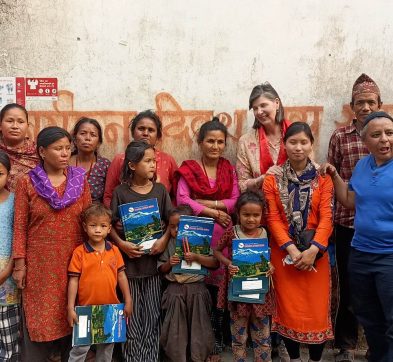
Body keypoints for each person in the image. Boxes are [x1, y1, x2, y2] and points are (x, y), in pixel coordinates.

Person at [12, 126, 91, 362]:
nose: (65, 153)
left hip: (74, 262)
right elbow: (19, 226)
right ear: (43, 152)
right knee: (40, 320)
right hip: (40, 267)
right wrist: (19, 265)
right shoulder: (27, 183)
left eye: (68, 148)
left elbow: (89, 220)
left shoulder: (79, 181)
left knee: (73, 313)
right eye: (58, 149)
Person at [322, 111, 393, 362]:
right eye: (377, 135)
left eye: (390, 133)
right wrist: (335, 176)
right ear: (365, 141)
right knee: (368, 316)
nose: (384, 139)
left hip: (389, 256)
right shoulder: (363, 166)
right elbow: (350, 201)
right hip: (360, 253)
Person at [263, 122, 334, 362]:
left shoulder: (323, 179)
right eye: (293, 142)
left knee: (316, 311)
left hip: (317, 253)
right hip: (284, 253)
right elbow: (272, 218)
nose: (298, 147)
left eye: (304, 142)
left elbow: (327, 217)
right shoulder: (272, 180)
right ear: (285, 145)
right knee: (288, 309)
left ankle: (314, 359)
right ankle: (293, 358)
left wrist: (313, 251)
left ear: (311, 145)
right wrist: (292, 251)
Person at [327, 73, 381, 362]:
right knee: (348, 285)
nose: (365, 107)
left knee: (380, 287)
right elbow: (331, 177)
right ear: (352, 106)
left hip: (382, 226)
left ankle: (376, 345)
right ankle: (345, 344)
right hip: (347, 224)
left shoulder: (387, 135)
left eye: (371, 102)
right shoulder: (340, 137)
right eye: (360, 103)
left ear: (379, 103)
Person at [175, 117, 240, 358]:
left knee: (222, 289)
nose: (215, 146)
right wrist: (214, 211)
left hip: (224, 237)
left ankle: (222, 338)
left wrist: (206, 202)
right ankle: (203, 341)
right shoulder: (189, 168)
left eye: (220, 142)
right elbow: (182, 199)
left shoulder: (228, 169)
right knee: (201, 289)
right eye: (210, 141)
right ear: (200, 143)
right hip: (197, 235)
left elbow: (236, 200)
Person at [109, 140, 172, 362]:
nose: (153, 165)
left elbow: (172, 222)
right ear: (132, 165)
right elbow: (108, 226)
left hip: (153, 268)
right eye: (147, 161)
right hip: (129, 270)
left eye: (154, 160)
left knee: (152, 318)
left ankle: (150, 358)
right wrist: (121, 243)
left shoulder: (160, 191)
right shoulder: (120, 193)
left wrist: (164, 240)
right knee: (132, 317)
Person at [214, 191, 275, 362]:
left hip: (260, 295)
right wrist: (228, 264)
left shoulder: (265, 234)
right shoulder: (232, 233)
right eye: (246, 214)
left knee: (263, 337)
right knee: (239, 338)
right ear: (238, 214)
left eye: (256, 215)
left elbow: (271, 257)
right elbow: (216, 251)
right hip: (238, 295)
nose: (251, 219)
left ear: (262, 215)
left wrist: (271, 266)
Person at [67, 203, 132, 362]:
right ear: (85, 227)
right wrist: (70, 307)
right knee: (79, 350)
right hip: (84, 311)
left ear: (109, 229)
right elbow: (73, 280)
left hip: (110, 309)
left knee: (106, 350)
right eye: (93, 225)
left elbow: (121, 276)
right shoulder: (79, 253)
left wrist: (128, 300)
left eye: (103, 226)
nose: (98, 230)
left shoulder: (114, 251)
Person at [159, 205, 218, 362]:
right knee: (175, 328)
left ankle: (198, 357)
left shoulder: (200, 241)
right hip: (175, 290)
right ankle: (177, 357)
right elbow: (161, 269)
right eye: (172, 226)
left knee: (199, 326)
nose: (176, 230)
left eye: (181, 226)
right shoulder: (170, 244)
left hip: (197, 289)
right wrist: (170, 263)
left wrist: (198, 257)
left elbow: (214, 263)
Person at [103, 110, 177, 207]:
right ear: (133, 133)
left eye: (151, 130)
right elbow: (108, 196)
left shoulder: (168, 160)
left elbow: (177, 195)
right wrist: (118, 219)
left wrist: (168, 217)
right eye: (141, 129)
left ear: (157, 136)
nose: (145, 133)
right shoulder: (120, 159)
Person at [236, 82, 291, 193]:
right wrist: (263, 178)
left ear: (276, 103)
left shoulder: (297, 134)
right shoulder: (246, 141)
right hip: (261, 205)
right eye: (255, 108)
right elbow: (242, 185)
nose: (259, 112)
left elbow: (311, 170)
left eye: (263, 105)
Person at [0, 151, 20, 361]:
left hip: (7, 277)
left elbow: (19, 235)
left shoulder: (15, 201)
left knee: (9, 337)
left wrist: (9, 269)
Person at [69, 117, 111, 202]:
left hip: (95, 213)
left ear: (99, 142)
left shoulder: (105, 165)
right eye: (83, 133)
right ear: (74, 139)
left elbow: (109, 195)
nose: (87, 138)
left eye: (93, 135)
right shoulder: (64, 162)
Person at [0, 103, 39, 191]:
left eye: (20, 122)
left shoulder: (39, 152)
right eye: (10, 121)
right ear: (0, 125)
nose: (15, 126)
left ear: (27, 126)